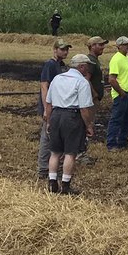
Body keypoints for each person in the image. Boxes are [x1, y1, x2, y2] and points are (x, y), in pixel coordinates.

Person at [44, 52, 95, 195]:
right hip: (71, 117)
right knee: (70, 153)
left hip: (56, 115)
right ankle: (65, 185)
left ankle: (52, 183)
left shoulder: (57, 79)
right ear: (82, 67)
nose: (88, 70)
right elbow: (84, 108)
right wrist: (88, 125)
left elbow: (49, 102)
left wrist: (49, 121)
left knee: (55, 152)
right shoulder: (82, 82)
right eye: (87, 67)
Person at [37, 38, 70, 181]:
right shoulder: (50, 65)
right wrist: (46, 108)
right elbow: (44, 86)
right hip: (50, 106)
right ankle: (43, 168)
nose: (65, 52)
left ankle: (54, 163)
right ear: (55, 50)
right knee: (47, 135)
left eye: (66, 49)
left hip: (58, 105)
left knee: (55, 135)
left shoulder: (62, 65)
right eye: (62, 49)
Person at [76, 36, 107, 165]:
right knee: (86, 124)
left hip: (93, 98)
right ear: (92, 46)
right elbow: (86, 79)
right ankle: (80, 153)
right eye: (100, 45)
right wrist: (94, 94)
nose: (102, 47)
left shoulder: (95, 61)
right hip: (90, 100)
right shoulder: (91, 62)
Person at [106, 36, 128, 151]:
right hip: (121, 94)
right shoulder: (116, 59)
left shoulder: (125, 58)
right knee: (116, 119)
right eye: (126, 44)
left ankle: (123, 142)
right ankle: (111, 144)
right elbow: (112, 79)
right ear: (119, 46)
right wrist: (121, 93)